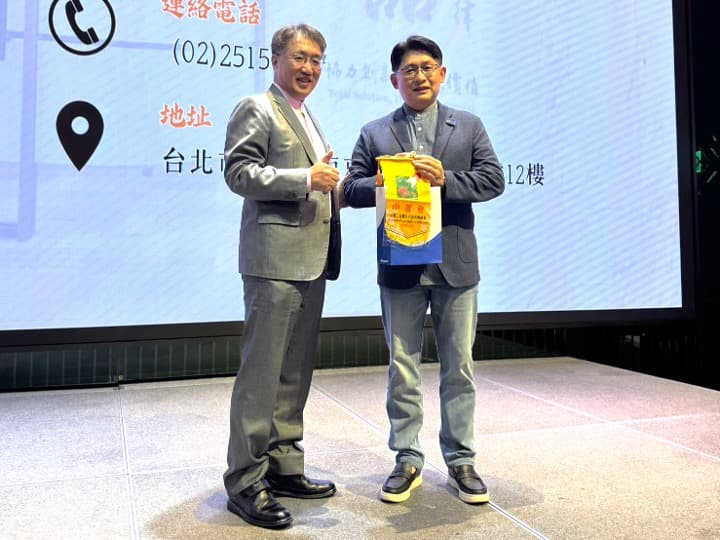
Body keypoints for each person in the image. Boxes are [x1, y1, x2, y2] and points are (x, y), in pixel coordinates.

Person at [343, 35, 504, 504]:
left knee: (459, 367)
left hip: (456, 266)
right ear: (394, 79)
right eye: (410, 69)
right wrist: (379, 181)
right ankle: (407, 458)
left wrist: (445, 180)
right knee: (403, 368)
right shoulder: (375, 132)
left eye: (428, 67)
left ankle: (461, 460)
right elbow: (348, 189)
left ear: (443, 74)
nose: (420, 76)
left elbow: (494, 179)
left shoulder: (468, 125)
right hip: (400, 265)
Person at [222, 23, 341, 529]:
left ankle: (284, 466)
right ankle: (245, 481)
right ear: (276, 59)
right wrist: (306, 178)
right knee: (262, 376)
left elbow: (320, 183)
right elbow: (238, 172)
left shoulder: (306, 114)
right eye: (300, 57)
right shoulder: (258, 107)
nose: (309, 67)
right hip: (273, 263)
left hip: (310, 261)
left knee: (294, 374)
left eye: (316, 59)